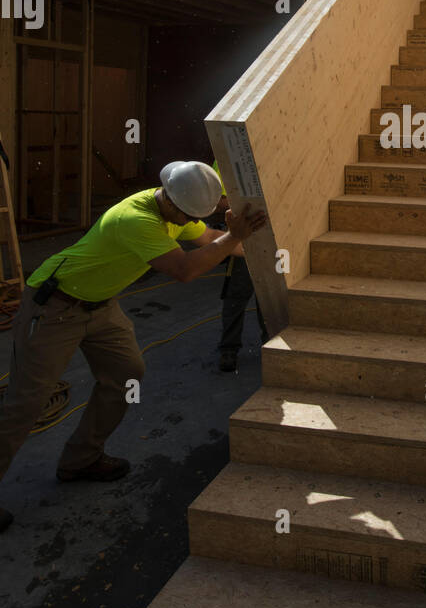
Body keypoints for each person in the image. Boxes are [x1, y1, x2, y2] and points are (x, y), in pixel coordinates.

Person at [0, 161, 266, 532]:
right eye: (188, 214)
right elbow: (185, 269)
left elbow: (207, 239)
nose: (190, 219)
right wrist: (233, 236)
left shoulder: (176, 204)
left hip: (100, 303)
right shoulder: (136, 219)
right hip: (55, 305)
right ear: (171, 200)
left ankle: (80, 459)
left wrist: (262, 250)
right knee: (26, 402)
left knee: (127, 375)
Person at [211, 163, 267, 373]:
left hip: (274, 236)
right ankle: (229, 350)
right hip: (245, 236)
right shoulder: (229, 153)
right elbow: (218, 200)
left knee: (268, 296)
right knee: (236, 295)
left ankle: (270, 346)